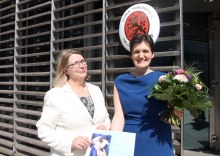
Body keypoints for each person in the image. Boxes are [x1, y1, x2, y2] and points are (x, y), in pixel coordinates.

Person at [111, 34, 180, 156]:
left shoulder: (164, 80)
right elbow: (118, 116)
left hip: (158, 140)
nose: (141, 55)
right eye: (136, 51)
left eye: (145, 51)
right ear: (131, 55)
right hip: (129, 142)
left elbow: (174, 113)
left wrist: (178, 110)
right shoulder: (120, 82)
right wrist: (112, 145)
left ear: (153, 54)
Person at [36, 49, 111, 156]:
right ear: (65, 70)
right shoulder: (55, 95)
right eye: (75, 64)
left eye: (83, 61)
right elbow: (44, 129)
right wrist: (70, 142)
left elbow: (106, 118)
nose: (81, 66)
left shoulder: (96, 90)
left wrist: (105, 126)